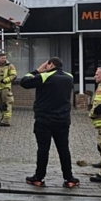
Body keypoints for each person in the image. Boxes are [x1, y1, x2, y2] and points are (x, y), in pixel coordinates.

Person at [20, 56, 78, 188]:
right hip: (63, 120)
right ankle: (69, 178)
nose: (45, 67)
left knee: (43, 149)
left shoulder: (45, 76)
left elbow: (24, 82)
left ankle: (38, 178)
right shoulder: (69, 77)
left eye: (46, 65)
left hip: (44, 120)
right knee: (63, 149)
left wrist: (37, 71)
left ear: (51, 64)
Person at [0, 54, 17, 127]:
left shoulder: (10, 66)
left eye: (4, 58)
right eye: (2, 58)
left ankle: (6, 121)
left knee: (6, 104)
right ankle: (3, 118)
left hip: (5, 88)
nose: (3, 59)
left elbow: (14, 75)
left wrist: (5, 80)